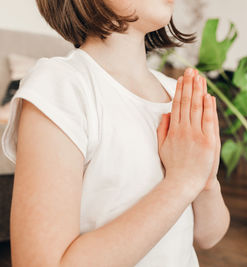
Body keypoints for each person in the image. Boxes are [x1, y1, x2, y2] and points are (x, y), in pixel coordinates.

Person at [1, 0, 230, 266]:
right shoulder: (62, 86)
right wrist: (182, 182)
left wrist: (206, 181)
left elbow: (209, 236)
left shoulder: (179, 95)